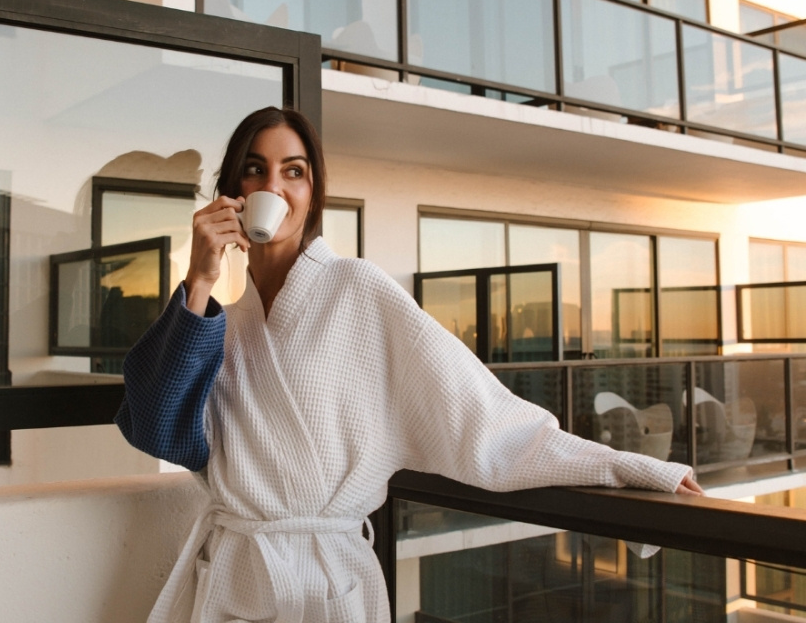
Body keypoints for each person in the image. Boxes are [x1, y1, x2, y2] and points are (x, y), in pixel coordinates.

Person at [114, 106, 703, 623]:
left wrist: (625, 465)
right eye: (255, 169)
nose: (276, 185)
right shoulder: (221, 321)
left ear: (313, 193)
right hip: (237, 580)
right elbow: (160, 430)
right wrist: (200, 280)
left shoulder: (359, 289)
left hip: (329, 586)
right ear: (231, 194)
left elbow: (478, 413)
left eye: (294, 171)